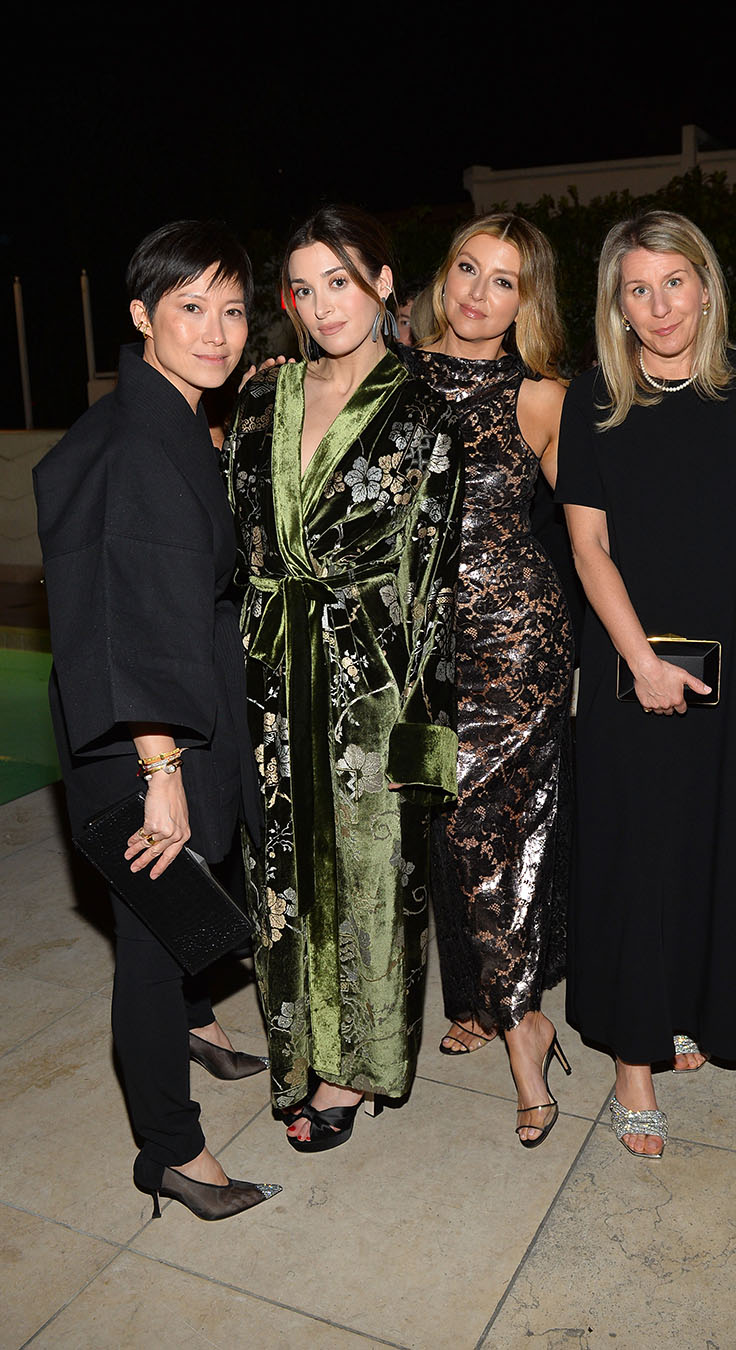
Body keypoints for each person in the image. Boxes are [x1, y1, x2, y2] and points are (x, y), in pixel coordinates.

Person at [34, 220, 281, 1221]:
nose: (216, 331)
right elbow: (136, 609)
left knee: (183, 909)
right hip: (150, 735)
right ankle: (173, 1154)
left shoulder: (163, 417)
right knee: (148, 936)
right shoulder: (140, 444)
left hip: (175, 711)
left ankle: (195, 1022)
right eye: (191, 308)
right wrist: (162, 770)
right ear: (141, 316)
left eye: (230, 309)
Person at [556, 211, 736, 1157]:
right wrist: (641, 662)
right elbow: (588, 546)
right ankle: (632, 1060)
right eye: (636, 290)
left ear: (708, 284)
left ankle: (696, 1005)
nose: (659, 307)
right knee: (639, 854)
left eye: (674, 283)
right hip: (635, 664)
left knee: (717, 843)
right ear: (615, 306)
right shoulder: (596, 401)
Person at [226, 206, 462, 1151]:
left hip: (371, 682)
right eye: (305, 285)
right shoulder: (259, 398)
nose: (323, 304)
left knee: (367, 883)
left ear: (383, 286)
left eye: (342, 281)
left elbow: (435, 584)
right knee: (279, 880)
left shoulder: (423, 410)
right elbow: (236, 544)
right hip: (269, 674)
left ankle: (350, 1070)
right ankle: (296, 1054)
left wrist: (424, 736)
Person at [397, 213, 574, 1146]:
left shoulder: (541, 396)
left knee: (496, 833)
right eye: (467, 268)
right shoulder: (386, 376)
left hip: (519, 646)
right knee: (455, 837)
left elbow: (602, 529)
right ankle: (514, 1007)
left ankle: (520, 1038)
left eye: (503, 280)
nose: (477, 291)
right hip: (420, 653)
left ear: (525, 298)